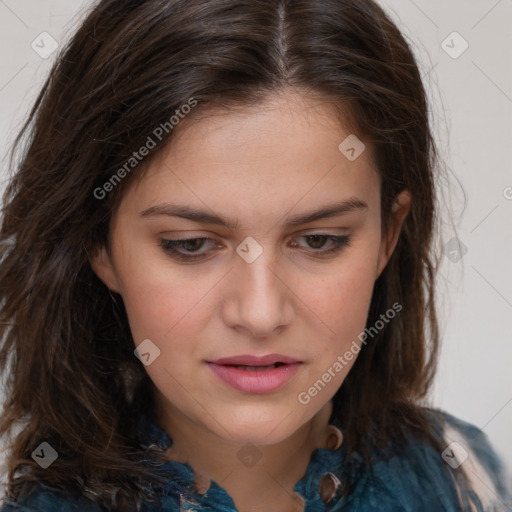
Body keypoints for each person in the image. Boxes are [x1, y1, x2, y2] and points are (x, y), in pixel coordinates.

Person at [0, 0, 509, 511]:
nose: (261, 314)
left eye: (319, 240)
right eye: (191, 245)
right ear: (98, 243)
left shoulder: (468, 479)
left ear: (388, 235)